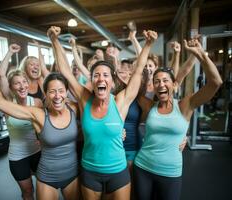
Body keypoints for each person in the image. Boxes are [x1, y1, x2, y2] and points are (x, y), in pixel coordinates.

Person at [47, 25, 157, 200]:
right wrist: (54, 40)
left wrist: (149, 44)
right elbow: (66, 72)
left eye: (106, 75)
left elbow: (137, 72)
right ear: (91, 80)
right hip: (90, 172)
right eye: (96, 75)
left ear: (112, 82)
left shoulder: (120, 102)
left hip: (118, 172)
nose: (101, 78)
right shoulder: (84, 99)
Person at [133, 38, 223, 200]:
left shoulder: (185, 105)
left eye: (165, 80)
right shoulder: (149, 106)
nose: (161, 84)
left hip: (170, 172)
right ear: (152, 86)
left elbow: (215, 82)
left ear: (174, 85)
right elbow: (135, 79)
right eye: (157, 81)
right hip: (143, 167)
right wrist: (142, 44)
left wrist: (201, 55)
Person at [0, 54, 80, 200]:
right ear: (45, 93)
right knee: (28, 192)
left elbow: (96, 116)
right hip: (47, 178)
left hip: (72, 175)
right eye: (52, 91)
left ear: (67, 92)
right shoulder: (38, 114)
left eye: (61, 90)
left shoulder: (75, 108)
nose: (57, 95)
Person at [0, 44, 42, 200]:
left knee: (44, 189)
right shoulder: (8, 102)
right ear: (11, 87)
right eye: (17, 83)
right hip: (18, 156)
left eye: (24, 82)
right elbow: (1, 75)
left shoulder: (36, 102)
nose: (22, 86)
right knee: (28, 192)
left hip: (38, 152)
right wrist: (9, 52)